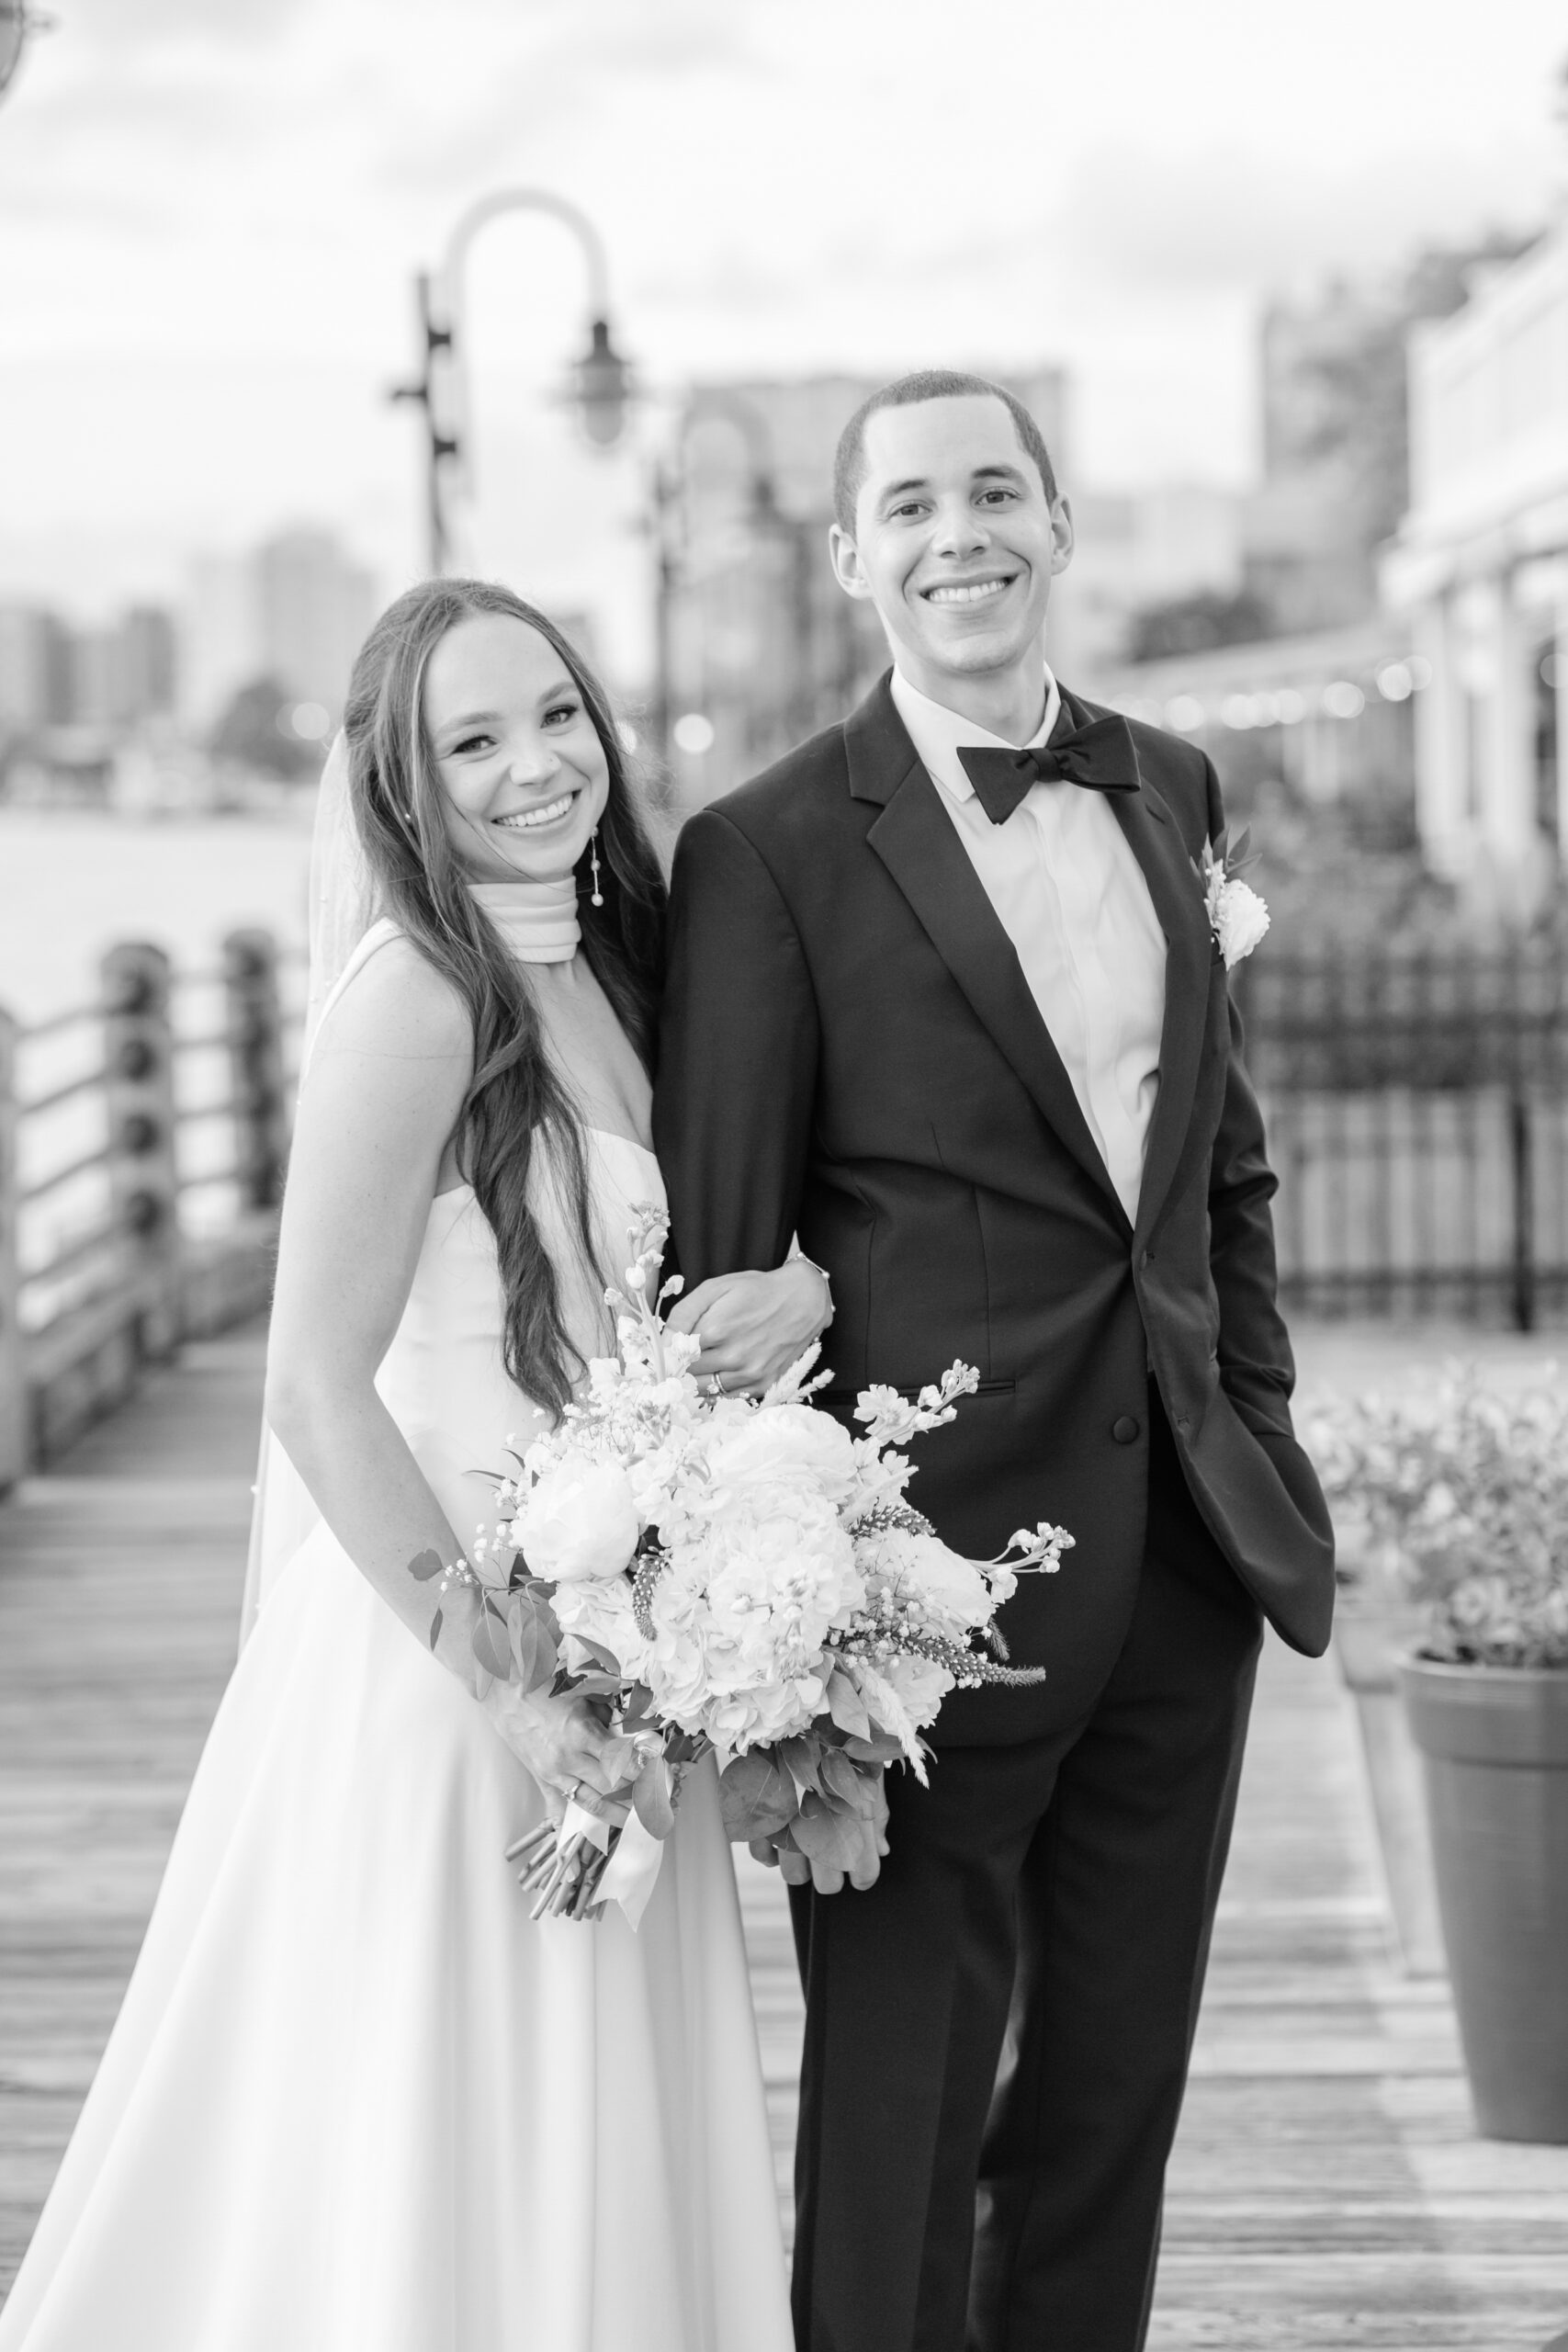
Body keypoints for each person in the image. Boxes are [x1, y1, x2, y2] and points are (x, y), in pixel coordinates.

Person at [0, 579, 825, 2352]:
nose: (538, 766)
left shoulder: (611, 968)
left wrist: (799, 1301)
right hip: (457, 1656)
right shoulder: (420, 998)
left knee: (591, 2132)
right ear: (405, 789)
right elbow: (313, 1383)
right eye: (475, 742)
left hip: (626, 1645)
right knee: (449, 2139)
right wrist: (508, 1682)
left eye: (556, 714)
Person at [654, 371, 1337, 2352]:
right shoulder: (765, 848)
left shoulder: (1168, 784)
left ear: (1056, 522)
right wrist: (801, 1600)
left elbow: (1214, 1164)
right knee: (901, 2103)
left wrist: (1259, 1425)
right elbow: (722, 1257)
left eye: (994, 491)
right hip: (921, 1588)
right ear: (850, 554)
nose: (958, 533)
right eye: (910, 504)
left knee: (1110, 2097)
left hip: (1186, 1547)